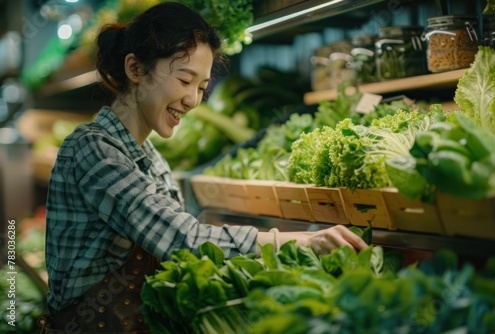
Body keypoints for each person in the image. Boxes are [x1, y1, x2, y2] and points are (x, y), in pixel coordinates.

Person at [40, 2, 368, 333]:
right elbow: (183, 239)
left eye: (201, 88)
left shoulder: (151, 158)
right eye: (185, 80)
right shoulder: (91, 149)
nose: (193, 100)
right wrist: (299, 241)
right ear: (136, 69)